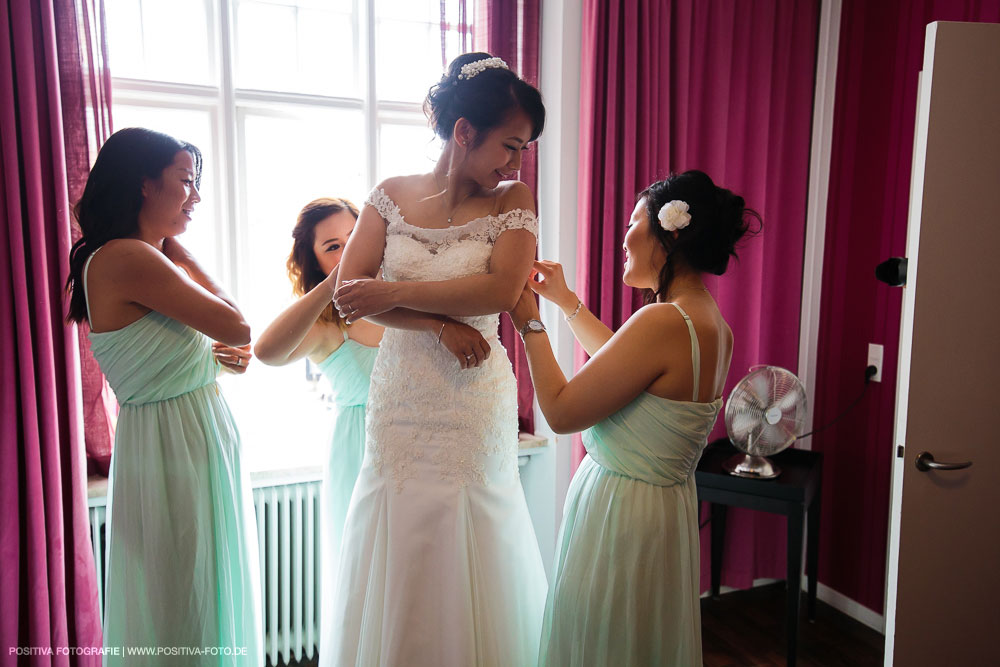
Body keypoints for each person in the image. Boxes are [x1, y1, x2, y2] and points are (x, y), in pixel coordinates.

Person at [325, 53, 548, 665]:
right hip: (401, 395)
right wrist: (435, 324)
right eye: (510, 144)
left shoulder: (513, 200)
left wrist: (394, 292)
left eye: (524, 148)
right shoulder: (389, 196)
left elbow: (500, 291)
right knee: (400, 525)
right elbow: (350, 296)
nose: (516, 161)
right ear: (464, 131)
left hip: (472, 397)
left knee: (470, 523)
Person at [507, 170, 755, 666]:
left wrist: (526, 315)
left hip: (622, 513)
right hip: (662, 512)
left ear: (670, 233)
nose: (623, 238)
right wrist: (566, 302)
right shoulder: (709, 323)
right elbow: (623, 370)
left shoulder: (662, 320)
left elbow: (559, 411)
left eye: (633, 222)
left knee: (606, 640)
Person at [65, 127, 262, 665]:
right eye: (185, 181)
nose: (195, 196)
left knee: (186, 593)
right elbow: (239, 325)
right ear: (145, 185)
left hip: (179, 438)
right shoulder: (130, 255)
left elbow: (190, 350)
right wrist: (185, 255)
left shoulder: (122, 257)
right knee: (184, 600)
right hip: (176, 451)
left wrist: (210, 362)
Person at [253, 197, 385, 655]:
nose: (349, 251)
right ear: (316, 262)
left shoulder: (404, 295)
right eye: (333, 246)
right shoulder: (327, 325)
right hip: (360, 452)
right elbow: (266, 351)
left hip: (416, 441)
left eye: (355, 237)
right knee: (368, 575)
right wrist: (333, 284)